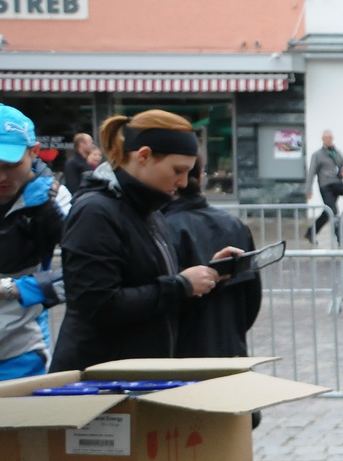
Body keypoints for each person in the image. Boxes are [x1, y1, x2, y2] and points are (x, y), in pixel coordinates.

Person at [52, 110, 243, 371]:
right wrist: (181, 285)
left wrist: (206, 274)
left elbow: (147, 283)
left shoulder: (149, 210)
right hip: (103, 379)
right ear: (143, 156)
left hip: (136, 373)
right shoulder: (95, 211)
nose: (184, 181)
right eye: (178, 170)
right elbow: (97, 304)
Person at [164, 156, 263, 359]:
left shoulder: (162, 227)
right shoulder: (234, 225)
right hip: (229, 349)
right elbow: (252, 295)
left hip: (180, 353)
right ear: (201, 177)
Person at [0, 106, 66, 380]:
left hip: (21, 352)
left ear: (34, 151)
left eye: (10, 165)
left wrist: (17, 288)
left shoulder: (55, 201)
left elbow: (92, 270)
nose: (0, 177)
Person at [304, 130, 343, 246]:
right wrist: (308, 190)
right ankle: (341, 237)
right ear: (323, 140)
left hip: (336, 185)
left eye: (330, 137)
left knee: (328, 212)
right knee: (333, 211)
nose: (328, 140)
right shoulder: (317, 155)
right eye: (326, 138)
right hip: (325, 186)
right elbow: (311, 172)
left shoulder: (336, 152)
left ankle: (311, 232)